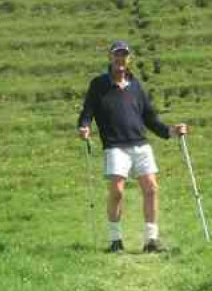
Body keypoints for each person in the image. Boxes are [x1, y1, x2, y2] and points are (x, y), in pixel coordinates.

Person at [77, 40, 187, 253]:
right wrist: (84, 127)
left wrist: (171, 131)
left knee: (152, 189)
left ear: (129, 59)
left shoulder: (136, 86)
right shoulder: (98, 85)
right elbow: (87, 113)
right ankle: (116, 240)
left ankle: (151, 241)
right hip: (115, 146)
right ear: (110, 57)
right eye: (117, 55)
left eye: (124, 55)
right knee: (117, 191)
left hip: (140, 145)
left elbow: (150, 119)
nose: (120, 59)